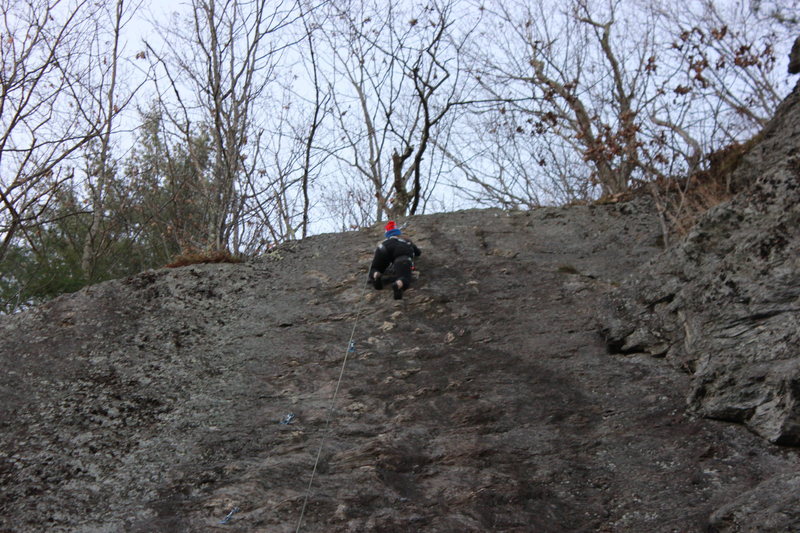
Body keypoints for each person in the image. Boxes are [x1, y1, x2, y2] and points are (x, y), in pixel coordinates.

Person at [368, 221, 421, 300]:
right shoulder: (406, 241)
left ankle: (376, 274)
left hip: (384, 250)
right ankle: (398, 283)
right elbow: (418, 252)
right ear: (398, 233)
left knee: (375, 267)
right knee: (404, 278)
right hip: (403, 259)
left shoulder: (384, 243)